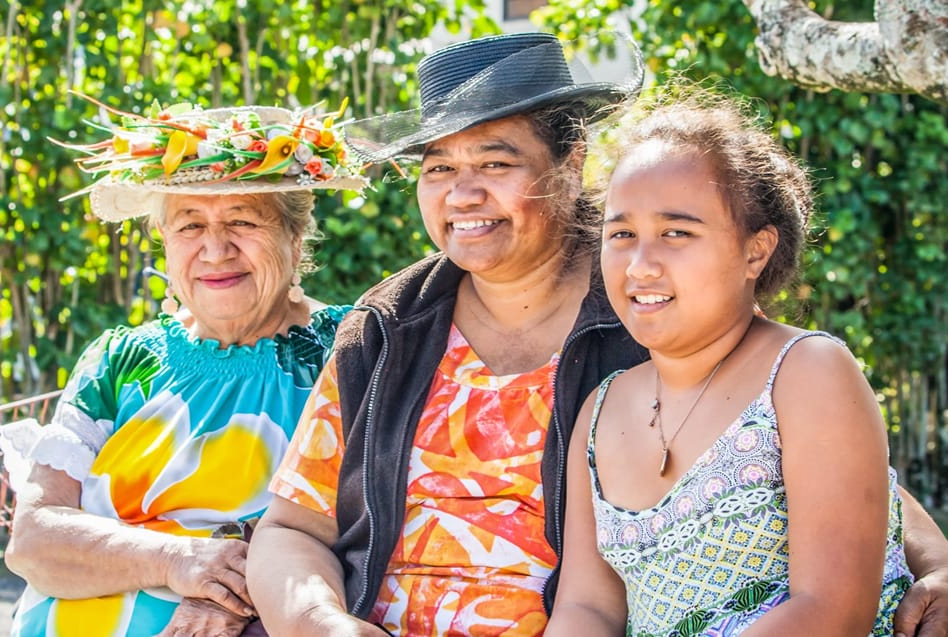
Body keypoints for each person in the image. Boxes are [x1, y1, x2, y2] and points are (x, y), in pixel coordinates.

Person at [246, 32, 948, 637]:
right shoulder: (390, 325)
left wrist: (937, 564)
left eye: (494, 163)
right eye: (439, 169)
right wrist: (321, 623)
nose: (462, 193)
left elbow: (807, 447)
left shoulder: (651, 301)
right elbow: (290, 528)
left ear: (571, 159)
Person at [546, 89, 912, 636]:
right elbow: (587, 608)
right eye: (622, 234)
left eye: (677, 233)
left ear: (755, 250)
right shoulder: (600, 412)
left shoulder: (806, 374)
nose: (641, 266)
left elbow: (832, 611)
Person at [0, 97, 367, 637]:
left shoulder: (349, 348)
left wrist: (234, 590)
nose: (215, 249)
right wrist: (182, 562)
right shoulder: (120, 360)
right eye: (189, 225)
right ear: (165, 243)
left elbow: (370, 519)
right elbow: (33, 538)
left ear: (295, 236)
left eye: (242, 220)